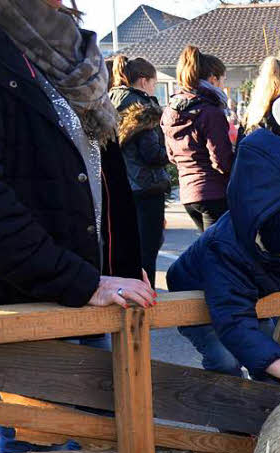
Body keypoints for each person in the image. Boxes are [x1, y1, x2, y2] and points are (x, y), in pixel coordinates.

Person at [0, 0, 153, 453]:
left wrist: (126, 263)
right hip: (26, 301)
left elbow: (99, 171)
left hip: (84, 292)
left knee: (108, 452)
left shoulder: (66, 50)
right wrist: (80, 281)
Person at [166, 128, 280, 384]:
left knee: (265, 338)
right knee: (224, 357)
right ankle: (229, 403)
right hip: (199, 292)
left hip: (249, 291)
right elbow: (233, 320)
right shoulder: (225, 253)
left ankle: (267, 397)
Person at [109, 55, 170, 285]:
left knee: (125, 250)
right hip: (146, 186)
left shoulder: (110, 100)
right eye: (154, 83)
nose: (154, 89)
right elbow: (151, 154)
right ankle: (146, 305)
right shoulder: (142, 106)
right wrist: (172, 155)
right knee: (147, 253)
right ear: (143, 81)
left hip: (120, 185)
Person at [162, 45, 234, 232]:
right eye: (222, 81)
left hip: (187, 194)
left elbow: (171, 155)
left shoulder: (171, 110)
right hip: (213, 191)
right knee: (220, 253)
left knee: (208, 251)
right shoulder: (210, 111)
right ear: (212, 78)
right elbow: (221, 160)